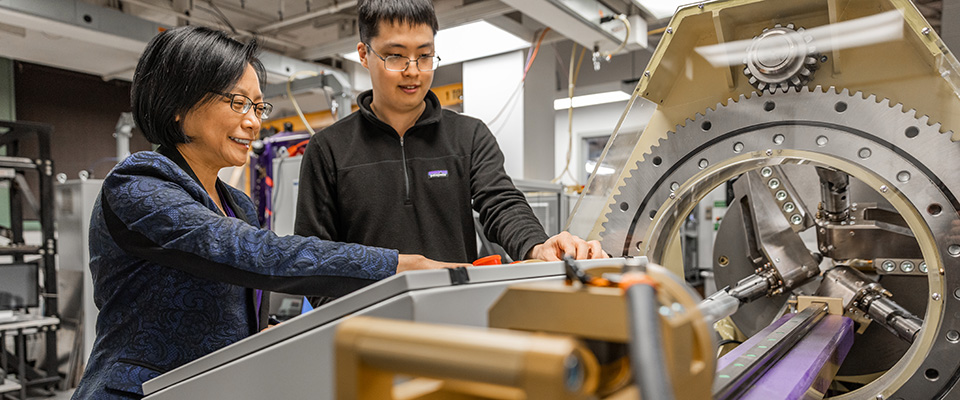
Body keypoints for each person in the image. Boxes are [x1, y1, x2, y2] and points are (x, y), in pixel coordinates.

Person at [72, 26, 462, 400]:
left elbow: (237, 308)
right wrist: (398, 266)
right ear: (178, 104)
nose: (254, 121)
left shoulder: (236, 204)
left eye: (258, 106)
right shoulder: (139, 184)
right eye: (238, 103)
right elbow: (254, 254)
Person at [294, 0, 607, 289]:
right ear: (364, 54)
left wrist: (537, 245)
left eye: (425, 55)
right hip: (364, 332)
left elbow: (501, 204)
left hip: (454, 319)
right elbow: (313, 254)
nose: (413, 70)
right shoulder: (328, 149)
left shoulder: (468, 136)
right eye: (396, 56)